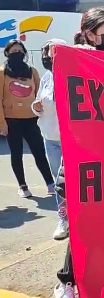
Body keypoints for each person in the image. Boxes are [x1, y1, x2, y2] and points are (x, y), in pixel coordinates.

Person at [53, 7, 104, 298]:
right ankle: (68, 281)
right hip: (82, 159)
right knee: (86, 226)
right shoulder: (74, 61)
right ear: (90, 35)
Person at [0, 39, 54, 198]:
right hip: (12, 120)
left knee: (39, 152)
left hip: (32, 120)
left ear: (24, 53)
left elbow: (40, 94)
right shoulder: (2, 73)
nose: (16, 53)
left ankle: (50, 183)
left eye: (19, 51)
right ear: (7, 54)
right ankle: (23, 186)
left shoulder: (32, 71)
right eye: (13, 51)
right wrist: (2, 123)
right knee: (16, 154)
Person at [31, 38, 70, 240]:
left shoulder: (73, 74)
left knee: (77, 182)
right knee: (60, 183)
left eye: (52, 52)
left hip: (71, 139)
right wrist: (35, 108)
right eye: (45, 53)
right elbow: (39, 102)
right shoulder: (46, 77)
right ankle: (63, 219)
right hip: (51, 138)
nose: (47, 57)